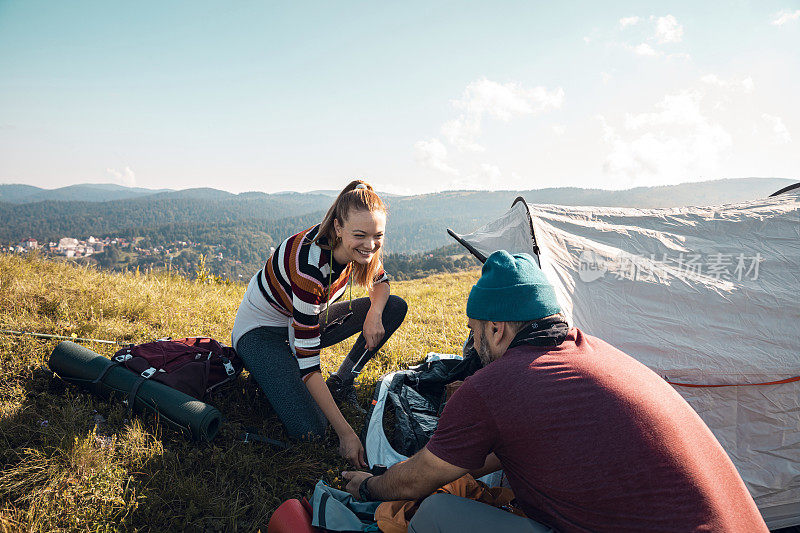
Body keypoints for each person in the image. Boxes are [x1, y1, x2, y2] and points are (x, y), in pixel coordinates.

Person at [343, 250, 768, 532]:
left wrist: (368, 487)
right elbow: (501, 449)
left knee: (437, 514)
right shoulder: (596, 353)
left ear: (496, 327)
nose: (471, 347)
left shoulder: (496, 385)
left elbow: (417, 479)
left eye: (474, 333)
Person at [232, 180, 407, 467]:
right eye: (361, 235)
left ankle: (341, 382)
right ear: (338, 228)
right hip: (261, 333)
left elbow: (381, 283)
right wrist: (347, 434)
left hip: (302, 319)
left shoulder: (361, 248)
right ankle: (266, 372)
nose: (370, 245)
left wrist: (374, 315)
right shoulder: (309, 266)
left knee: (393, 307)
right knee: (312, 432)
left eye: (378, 236)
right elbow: (309, 365)